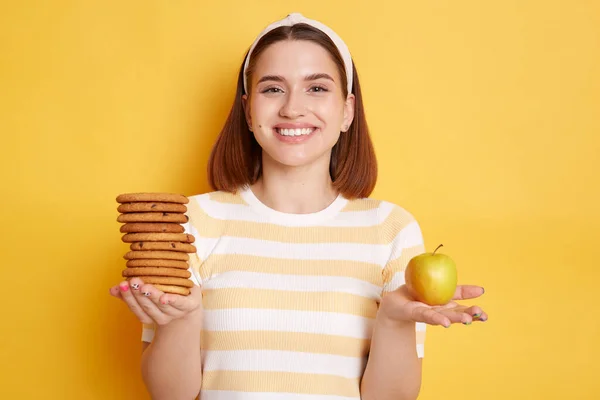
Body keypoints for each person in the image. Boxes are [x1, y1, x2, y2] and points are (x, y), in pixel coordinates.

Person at [109, 13, 488, 400]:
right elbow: (170, 396)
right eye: (273, 89)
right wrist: (180, 321)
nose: (292, 108)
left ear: (347, 110)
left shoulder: (391, 228)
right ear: (247, 109)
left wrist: (393, 322)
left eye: (317, 88)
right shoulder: (191, 224)